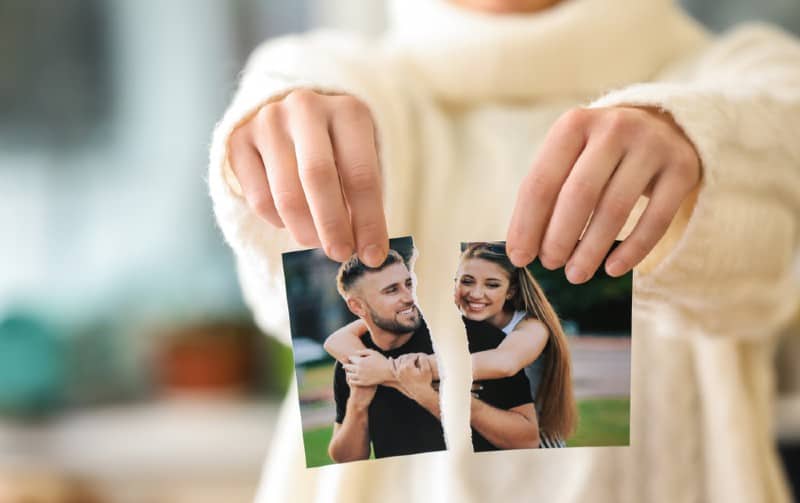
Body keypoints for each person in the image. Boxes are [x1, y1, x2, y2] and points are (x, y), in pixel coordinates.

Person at [208, 0, 800, 501]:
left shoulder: (750, 76)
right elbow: (281, 302)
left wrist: (703, 149)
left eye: (488, 284)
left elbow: (769, 265)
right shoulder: (333, 75)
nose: (470, 294)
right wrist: (272, 132)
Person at [325, 241, 575, 449]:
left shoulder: (531, 326)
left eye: (492, 284)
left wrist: (390, 372)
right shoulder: (449, 318)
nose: (476, 294)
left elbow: (504, 363)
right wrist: (372, 367)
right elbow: (337, 340)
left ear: (510, 290)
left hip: (540, 444)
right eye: (466, 281)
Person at [327, 249, 446, 461]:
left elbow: (479, 430)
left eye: (409, 284)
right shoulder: (353, 360)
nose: (410, 297)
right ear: (357, 306)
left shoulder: (443, 337)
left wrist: (386, 373)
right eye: (392, 290)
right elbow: (344, 460)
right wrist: (357, 404)